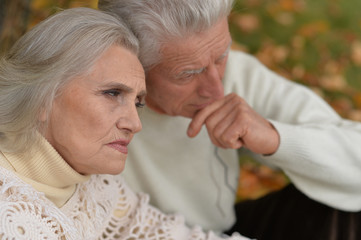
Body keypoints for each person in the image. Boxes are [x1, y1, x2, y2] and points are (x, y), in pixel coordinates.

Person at [98, 0, 361, 239]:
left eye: (222, 55)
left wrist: (275, 138)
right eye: (188, 74)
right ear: (130, 64)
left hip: (225, 228)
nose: (217, 90)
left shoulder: (237, 73)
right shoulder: (93, 117)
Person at [0, 7, 252, 240]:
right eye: (112, 93)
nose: (134, 123)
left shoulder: (92, 185)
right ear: (42, 98)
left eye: (138, 102)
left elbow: (169, 234)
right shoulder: (9, 218)